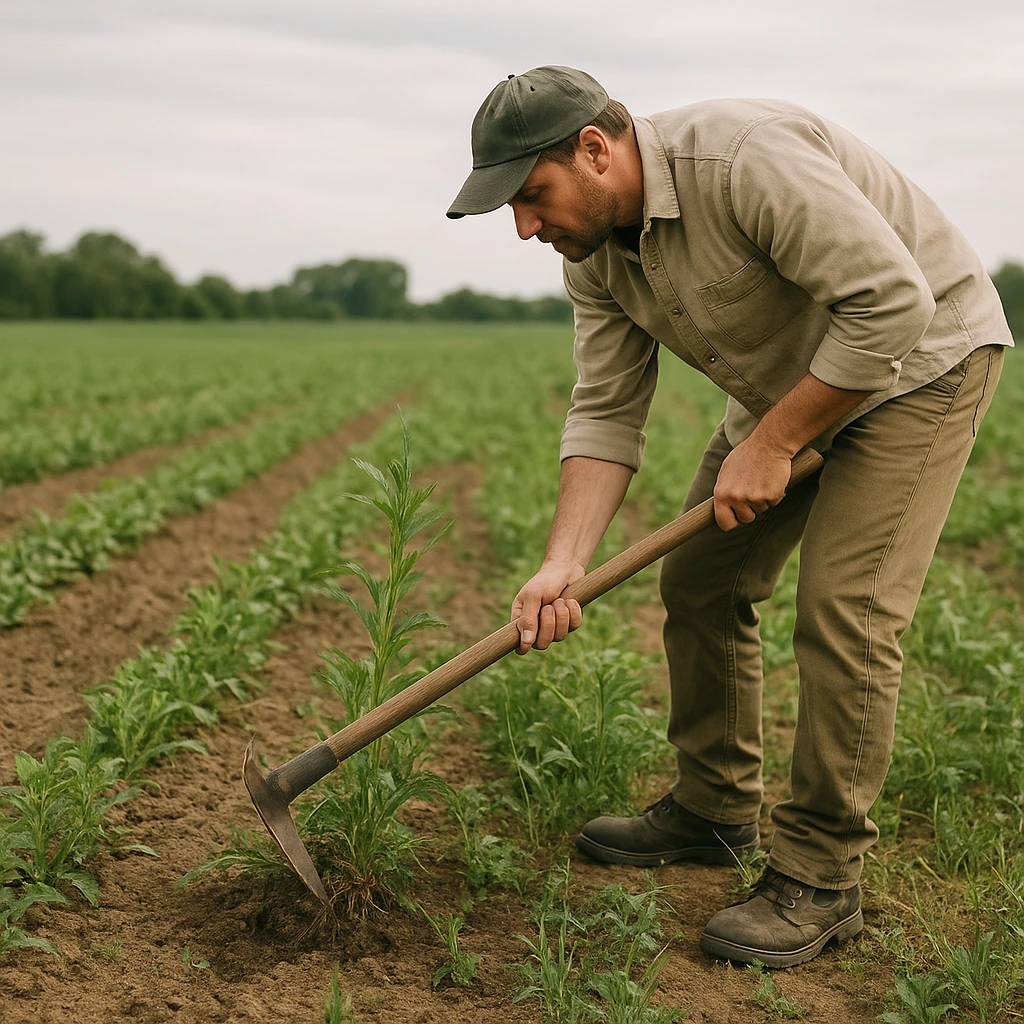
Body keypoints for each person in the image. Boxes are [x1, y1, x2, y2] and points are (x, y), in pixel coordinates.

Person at [446, 65, 1012, 968]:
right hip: (800, 383)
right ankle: (713, 811)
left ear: (595, 149)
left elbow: (892, 305)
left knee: (846, 610)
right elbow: (604, 412)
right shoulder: (595, 256)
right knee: (702, 581)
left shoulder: (743, 158)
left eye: (531, 195)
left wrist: (775, 442)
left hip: (922, 365)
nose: (524, 225)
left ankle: (821, 877)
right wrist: (562, 562)